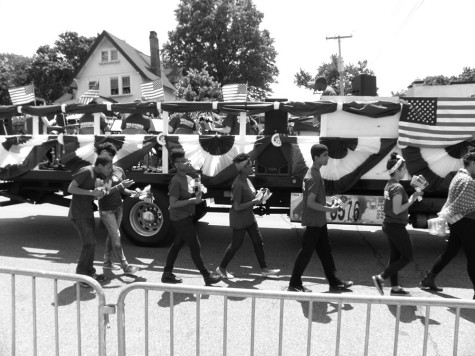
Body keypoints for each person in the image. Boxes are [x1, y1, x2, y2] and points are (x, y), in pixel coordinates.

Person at [288, 144, 353, 292]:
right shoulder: (315, 176)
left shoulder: (311, 172)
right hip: (314, 221)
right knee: (306, 252)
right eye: (324, 155)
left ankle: (334, 281)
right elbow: (310, 203)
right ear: (316, 158)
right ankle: (294, 283)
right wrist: (330, 209)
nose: (327, 157)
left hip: (319, 220)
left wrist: (328, 202)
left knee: (325, 251)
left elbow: (313, 199)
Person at [420, 150, 475, 298]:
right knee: (472, 256)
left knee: (451, 251)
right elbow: (463, 204)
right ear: (473, 164)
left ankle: (429, 278)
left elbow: (453, 201)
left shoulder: (458, 176)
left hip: (455, 221)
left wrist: (445, 215)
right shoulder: (468, 181)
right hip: (466, 221)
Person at [161, 151, 222, 285]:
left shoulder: (188, 178)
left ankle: (166, 274)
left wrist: (198, 193)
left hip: (186, 217)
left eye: (187, 160)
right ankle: (207, 276)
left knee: (176, 245)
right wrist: (192, 201)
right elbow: (173, 203)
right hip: (180, 218)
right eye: (183, 161)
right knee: (195, 246)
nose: (187, 162)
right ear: (176, 165)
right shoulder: (176, 181)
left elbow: (192, 195)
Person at [215, 153, 280, 279]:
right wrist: (254, 202)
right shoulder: (238, 184)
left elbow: (251, 196)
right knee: (236, 245)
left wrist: (261, 195)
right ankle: (221, 268)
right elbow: (237, 207)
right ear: (243, 168)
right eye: (250, 165)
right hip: (239, 219)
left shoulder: (247, 179)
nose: (253, 167)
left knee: (258, 241)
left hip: (249, 217)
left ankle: (264, 269)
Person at [372, 153, 423, 296]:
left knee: (395, 257)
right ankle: (380, 277)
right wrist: (413, 199)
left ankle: (394, 287)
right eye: (404, 168)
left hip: (390, 224)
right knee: (408, 257)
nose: (405, 171)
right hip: (395, 225)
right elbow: (396, 210)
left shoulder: (389, 185)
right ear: (398, 170)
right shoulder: (397, 187)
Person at [67, 155, 112, 286]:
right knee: (89, 243)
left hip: (87, 212)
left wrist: (100, 192)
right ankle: (82, 276)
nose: (110, 170)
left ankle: (90, 272)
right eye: (108, 167)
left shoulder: (98, 175)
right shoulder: (87, 171)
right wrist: (92, 192)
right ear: (100, 165)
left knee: (91, 244)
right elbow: (71, 188)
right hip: (78, 213)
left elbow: (92, 193)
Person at [95, 142, 139, 275]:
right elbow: (102, 194)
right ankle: (125, 266)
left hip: (118, 208)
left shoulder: (118, 170)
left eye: (108, 154)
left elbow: (123, 189)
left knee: (112, 235)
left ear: (113, 156)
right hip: (106, 209)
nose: (105, 156)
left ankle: (107, 262)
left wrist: (134, 192)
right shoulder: (98, 172)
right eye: (102, 154)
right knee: (117, 237)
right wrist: (120, 187)